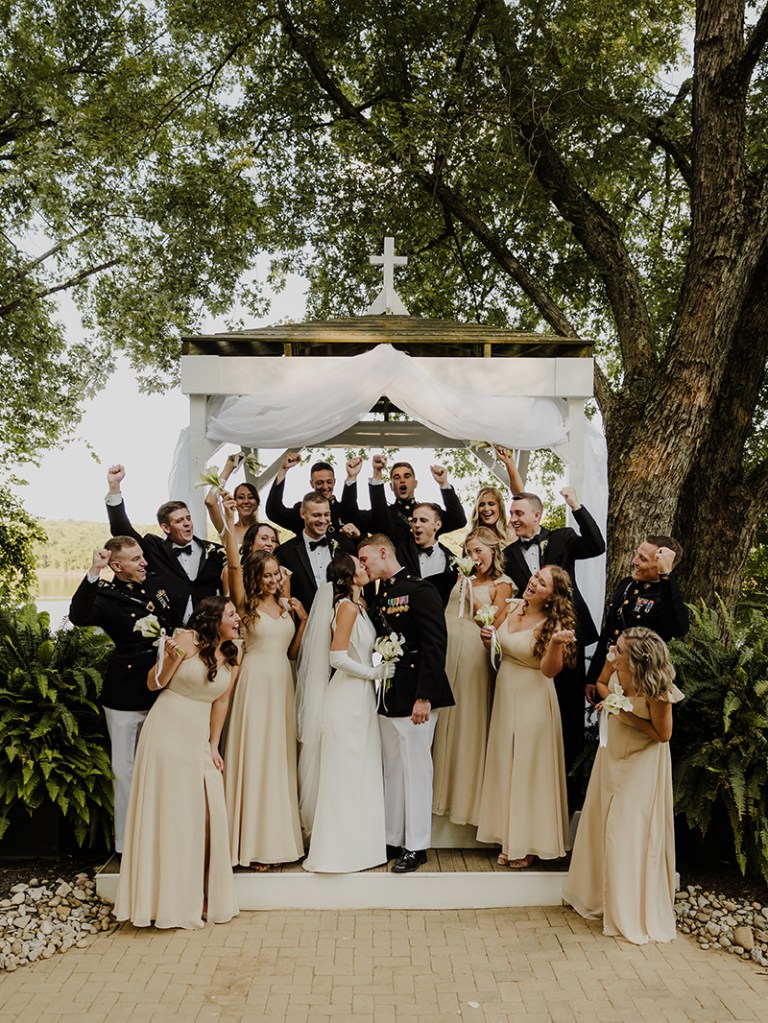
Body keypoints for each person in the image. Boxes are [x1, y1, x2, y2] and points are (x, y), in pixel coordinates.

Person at [114, 596, 241, 929]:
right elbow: (153, 683)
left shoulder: (233, 653)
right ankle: (167, 899)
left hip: (198, 736)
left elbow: (222, 702)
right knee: (172, 814)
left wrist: (213, 744)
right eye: (231, 614)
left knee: (209, 814)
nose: (238, 619)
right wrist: (170, 659)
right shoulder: (185, 639)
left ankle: (202, 890)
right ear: (214, 619)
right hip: (167, 730)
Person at [564, 628, 684, 944]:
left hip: (642, 761)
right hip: (612, 753)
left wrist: (623, 711)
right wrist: (611, 700)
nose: (612, 653)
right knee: (602, 820)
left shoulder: (658, 689)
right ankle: (598, 897)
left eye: (619, 650)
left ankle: (627, 908)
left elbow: (663, 735)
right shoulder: (613, 662)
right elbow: (602, 685)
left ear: (637, 659)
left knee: (624, 830)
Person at [68, 538, 173, 855]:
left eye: (142, 557)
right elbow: (79, 616)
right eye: (136, 559)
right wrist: (93, 571)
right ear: (116, 566)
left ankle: (161, 833)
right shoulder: (105, 596)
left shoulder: (152, 586)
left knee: (161, 764)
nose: (144, 563)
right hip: (126, 692)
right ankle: (128, 844)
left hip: (162, 687)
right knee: (125, 770)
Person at [358, 534, 454, 873]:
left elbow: (435, 646)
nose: (363, 566)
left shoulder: (420, 590)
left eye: (365, 559)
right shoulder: (381, 594)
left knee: (416, 770)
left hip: (416, 693)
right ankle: (393, 837)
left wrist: (424, 696)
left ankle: (417, 844)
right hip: (390, 692)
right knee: (394, 769)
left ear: (383, 552)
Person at [503, 487, 605, 808]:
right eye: (511, 513)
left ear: (537, 515)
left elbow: (597, 545)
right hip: (532, 646)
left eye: (519, 513)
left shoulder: (562, 537)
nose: (513, 518)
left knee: (569, 717)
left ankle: (568, 800)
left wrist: (576, 506)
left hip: (568, 637)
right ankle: (533, 797)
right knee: (537, 719)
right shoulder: (508, 554)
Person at [221, 503, 308, 870]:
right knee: (256, 757)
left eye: (276, 574)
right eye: (268, 575)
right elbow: (233, 566)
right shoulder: (245, 605)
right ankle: (251, 845)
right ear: (255, 576)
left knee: (279, 760)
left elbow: (292, 652)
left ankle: (277, 840)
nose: (274, 580)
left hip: (282, 683)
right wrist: (227, 522)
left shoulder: (287, 606)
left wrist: (303, 620)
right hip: (254, 685)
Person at [297, 554, 394, 873]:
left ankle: (363, 848)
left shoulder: (359, 605)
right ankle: (338, 851)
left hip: (361, 699)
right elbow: (337, 657)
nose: (366, 568)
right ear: (349, 576)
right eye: (360, 566)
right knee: (345, 773)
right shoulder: (347, 608)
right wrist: (374, 673)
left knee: (360, 772)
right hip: (347, 698)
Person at [477, 566, 576, 868]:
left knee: (528, 767)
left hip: (534, 697)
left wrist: (556, 644)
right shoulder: (513, 606)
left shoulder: (555, 625)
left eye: (542, 583)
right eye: (535, 576)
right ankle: (509, 836)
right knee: (506, 763)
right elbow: (498, 644)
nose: (533, 582)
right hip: (505, 695)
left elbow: (549, 670)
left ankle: (528, 842)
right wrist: (488, 638)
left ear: (552, 596)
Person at [432, 528, 514, 826]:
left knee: (467, 719)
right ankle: (435, 795)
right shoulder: (459, 577)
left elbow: (496, 624)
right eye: (469, 552)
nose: (474, 557)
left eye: (479, 551)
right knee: (442, 718)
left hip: (474, 655)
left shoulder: (503, 584)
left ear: (493, 551)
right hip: (447, 650)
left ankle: (464, 801)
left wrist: (473, 598)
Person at [104, 464, 226, 628]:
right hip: (169, 632)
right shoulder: (153, 548)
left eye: (188, 518)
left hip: (209, 630)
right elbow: (121, 529)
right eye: (179, 521)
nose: (187, 524)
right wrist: (114, 487)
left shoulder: (215, 552)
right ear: (166, 528)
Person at [587, 536, 689, 691]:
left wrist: (666, 575)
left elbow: (679, 628)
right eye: (637, 554)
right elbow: (609, 632)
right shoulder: (626, 585)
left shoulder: (667, 597)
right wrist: (593, 676)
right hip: (609, 673)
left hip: (639, 681)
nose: (634, 561)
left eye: (643, 559)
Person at [346, 454, 467, 546]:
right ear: (391, 486)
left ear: (415, 483)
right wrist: (353, 477)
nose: (402, 480)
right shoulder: (380, 514)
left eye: (407, 476)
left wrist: (444, 484)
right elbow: (350, 516)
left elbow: (458, 520)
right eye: (397, 477)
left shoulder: (429, 513)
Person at [275, 492, 357, 611]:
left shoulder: (345, 545)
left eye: (326, 514)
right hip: (304, 618)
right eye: (316, 515)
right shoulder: (285, 552)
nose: (323, 520)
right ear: (302, 513)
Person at [266, 451, 347, 534]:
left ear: (334, 482)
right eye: (319, 483)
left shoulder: (344, 510)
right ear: (311, 483)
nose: (325, 487)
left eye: (329, 482)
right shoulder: (302, 511)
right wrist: (283, 469)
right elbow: (274, 512)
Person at [396, 502, 458, 608]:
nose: (417, 525)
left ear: (437, 525)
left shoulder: (452, 561)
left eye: (423, 520)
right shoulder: (402, 552)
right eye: (414, 520)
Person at [204, 452, 261, 546]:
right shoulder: (227, 529)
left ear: (257, 502)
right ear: (234, 501)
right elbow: (210, 501)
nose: (246, 501)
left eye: (251, 497)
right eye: (241, 497)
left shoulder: (264, 531)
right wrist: (229, 467)